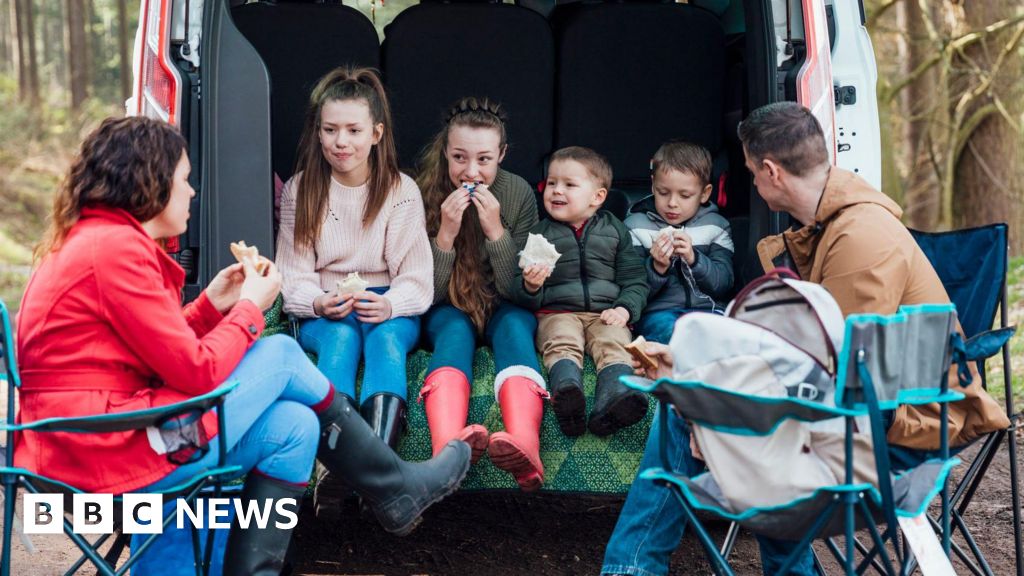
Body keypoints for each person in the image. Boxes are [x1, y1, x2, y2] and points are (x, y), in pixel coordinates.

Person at [14, 116, 470, 575]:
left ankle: (378, 498)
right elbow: (196, 372)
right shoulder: (115, 251)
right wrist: (250, 308)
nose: (192, 191)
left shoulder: (100, 243)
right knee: (281, 354)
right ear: (151, 183)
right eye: (184, 180)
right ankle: (393, 487)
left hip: (100, 438)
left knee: (295, 427)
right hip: (99, 454)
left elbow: (152, 351)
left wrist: (210, 306)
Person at [601, 101, 1009, 576]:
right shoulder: (829, 228)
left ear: (771, 172)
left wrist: (716, 411)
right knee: (694, 396)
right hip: (871, 398)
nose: (754, 184)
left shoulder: (860, 237)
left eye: (752, 172)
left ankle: (631, 568)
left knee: (691, 411)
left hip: (903, 417)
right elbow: (802, 350)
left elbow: (839, 373)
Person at [276, 66, 433, 458]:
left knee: (386, 339)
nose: (340, 141)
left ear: (376, 134)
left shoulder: (401, 190)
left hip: (387, 302)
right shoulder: (301, 189)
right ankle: (336, 460)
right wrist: (317, 303)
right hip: (326, 304)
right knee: (340, 339)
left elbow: (416, 276)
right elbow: (292, 273)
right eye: (330, 130)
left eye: (353, 130)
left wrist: (390, 304)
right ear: (318, 132)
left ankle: (378, 460)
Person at [416, 97, 549, 490]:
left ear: (502, 155)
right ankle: (446, 450)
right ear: (445, 151)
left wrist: (496, 231)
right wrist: (445, 234)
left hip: (502, 304)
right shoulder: (423, 192)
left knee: (516, 327)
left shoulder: (518, 193)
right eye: (459, 157)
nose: (471, 171)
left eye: (484, 159)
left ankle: (524, 443)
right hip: (447, 305)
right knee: (453, 333)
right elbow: (426, 296)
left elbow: (519, 291)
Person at [509, 146, 650, 438]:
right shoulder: (539, 234)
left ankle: (614, 399)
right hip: (557, 311)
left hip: (605, 312)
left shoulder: (615, 230)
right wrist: (531, 286)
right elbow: (516, 287)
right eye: (551, 183)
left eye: (569, 184)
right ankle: (567, 393)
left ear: (597, 197)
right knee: (561, 340)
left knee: (615, 342)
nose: (556, 190)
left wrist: (624, 309)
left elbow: (636, 279)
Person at [624, 141, 734, 344]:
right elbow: (631, 289)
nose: (672, 203)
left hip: (708, 310)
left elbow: (724, 283)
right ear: (653, 185)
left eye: (685, 195)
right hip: (658, 312)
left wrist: (694, 259)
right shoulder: (636, 227)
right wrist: (656, 267)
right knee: (672, 333)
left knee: (722, 336)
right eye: (663, 192)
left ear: (705, 193)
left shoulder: (716, 226)